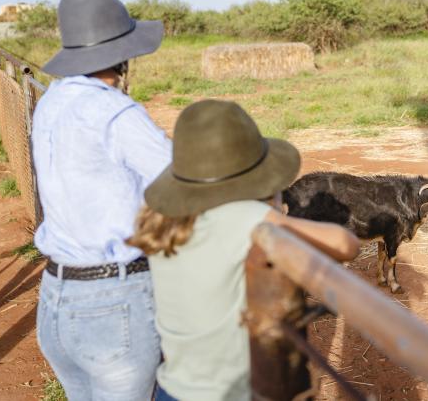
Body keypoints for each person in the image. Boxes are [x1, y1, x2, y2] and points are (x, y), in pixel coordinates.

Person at [129, 99, 360, 401]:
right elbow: (345, 244)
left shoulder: (160, 219)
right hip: (231, 393)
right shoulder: (241, 217)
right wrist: (275, 213)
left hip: (174, 387)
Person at [32, 0, 170, 400]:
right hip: (114, 302)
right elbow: (179, 180)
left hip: (57, 295)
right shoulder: (115, 111)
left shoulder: (51, 102)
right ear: (123, 57)